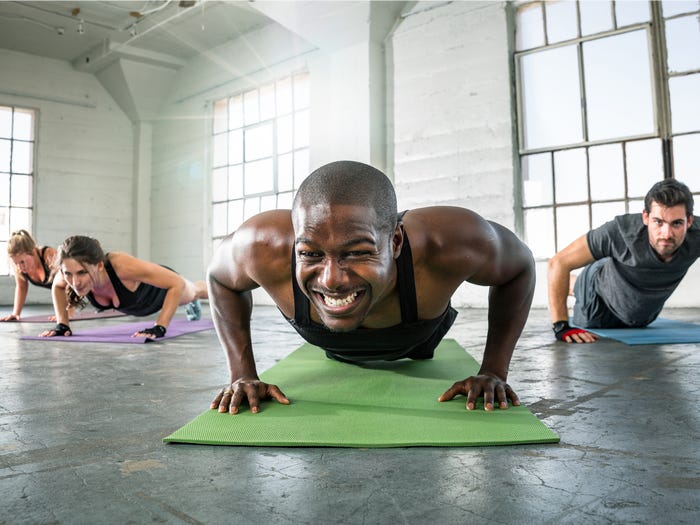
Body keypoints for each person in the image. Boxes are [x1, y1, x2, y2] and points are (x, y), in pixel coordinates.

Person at [207, 160, 536, 415]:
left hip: (418, 344)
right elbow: (220, 279)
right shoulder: (261, 245)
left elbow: (519, 267)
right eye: (310, 254)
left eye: (358, 252)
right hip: (332, 345)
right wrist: (241, 373)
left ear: (395, 241)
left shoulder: (449, 242)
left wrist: (494, 369)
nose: (331, 279)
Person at [548, 178, 700, 343]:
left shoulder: (697, 235)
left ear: (689, 221)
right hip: (597, 299)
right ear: (646, 217)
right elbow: (558, 262)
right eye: (658, 222)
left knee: (636, 314)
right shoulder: (620, 231)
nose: (667, 234)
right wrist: (561, 326)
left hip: (641, 315)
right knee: (581, 286)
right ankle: (574, 284)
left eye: (677, 223)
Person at [39, 235, 208, 339]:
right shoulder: (69, 267)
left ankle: (223, 287)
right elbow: (57, 286)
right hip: (142, 303)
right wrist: (63, 324)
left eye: (82, 273)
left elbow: (175, 283)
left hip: (161, 291)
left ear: (99, 265)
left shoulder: (120, 265)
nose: (75, 282)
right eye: (68, 274)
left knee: (195, 291)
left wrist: (160, 326)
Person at [1, 230, 59, 321]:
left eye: (22, 262)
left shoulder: (48, 255)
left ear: (32, 251)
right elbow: (21, 287)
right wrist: (15, 313)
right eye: (16, 263)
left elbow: (68, 282)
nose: (20, 267)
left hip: (84, 283)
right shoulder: (19, 267)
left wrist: (66, 313)